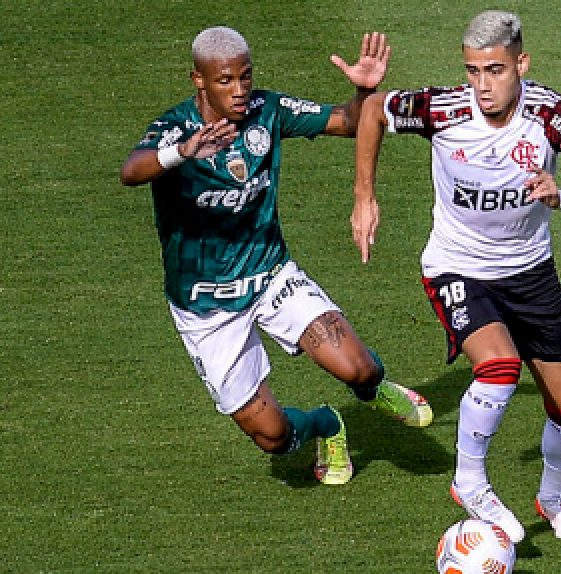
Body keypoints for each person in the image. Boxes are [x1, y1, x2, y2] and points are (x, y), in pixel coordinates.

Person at [120, 26, 432, 485]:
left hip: (269, 276)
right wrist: (182, 153)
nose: (240, 90)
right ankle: (327, 424)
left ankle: (376, 389)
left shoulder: (269, 110)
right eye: (226, 80)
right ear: (199, 80)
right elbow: (131, 171)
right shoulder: (175, 129)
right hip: (206, 307)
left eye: (245, 77)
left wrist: (364, 92)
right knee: (274, 438)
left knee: (359, 368)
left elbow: (346, 122)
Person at [351, 10, 561, 541]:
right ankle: (469, 482)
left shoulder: (551, 114)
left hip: (531, 273)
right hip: (458, 266)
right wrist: (364, 196)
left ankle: (554, 498)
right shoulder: (443, 110)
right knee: (498, 367)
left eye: (494, 70)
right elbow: (375, 110)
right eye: (473, 71)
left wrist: (560, 195)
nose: (482, 84)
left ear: (521, 63)